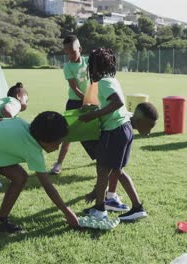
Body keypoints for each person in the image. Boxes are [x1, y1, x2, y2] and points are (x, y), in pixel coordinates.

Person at [0, 111, 79, 234]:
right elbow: (47, 186)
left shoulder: (21, 122)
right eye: (57, 143)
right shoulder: (33, 151)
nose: (57, 148)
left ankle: (0, 223)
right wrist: (67, 212)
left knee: (20, 177)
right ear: (45, 140)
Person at [79, 47, 148, 221]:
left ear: (95, 67)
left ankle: (100, 209)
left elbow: (117, 102)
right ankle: (137, 207)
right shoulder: (111, 79)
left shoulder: (103, 82)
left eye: (90, 65)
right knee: (117, 171)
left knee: (103, 170)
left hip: (115, 131)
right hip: (124, 129)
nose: (90, 69)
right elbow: (112, 103)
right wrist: (95, 109)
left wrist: (93, 115)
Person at [84, 102, 158, 212]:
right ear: (139, 121)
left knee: (115, 170)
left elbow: (109, 170)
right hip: (122, 133)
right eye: (150, 126)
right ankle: (134, 206)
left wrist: (97, 190)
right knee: (117, 170)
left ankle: (136, 206)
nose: (149, 132)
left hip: (121, 134)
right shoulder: (127, 123)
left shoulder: (127, 121)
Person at [50, 35, 90, 175]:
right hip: (75, 101)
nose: (70, 55)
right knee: (68, 134)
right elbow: (75, 88)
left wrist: (93, 100)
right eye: (67, 53)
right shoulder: (67, 66)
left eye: (72, 51)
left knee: (96, 130)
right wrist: (86, 100)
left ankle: (101, 159)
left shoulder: (89, 61)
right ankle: (59, 163)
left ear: (80, 49)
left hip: (91, 101)